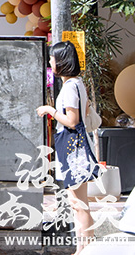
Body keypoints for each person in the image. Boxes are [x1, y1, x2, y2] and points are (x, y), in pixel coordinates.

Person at [37, 41, 97, 254]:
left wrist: (50, 110)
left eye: (53, 58)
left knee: (79, 202)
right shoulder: (77, 84)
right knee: (77, 201)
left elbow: (72, 120)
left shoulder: (71, 87)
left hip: (74, 147)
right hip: (75, 145)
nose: (51, 61)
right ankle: (82, 247)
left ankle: (85, 248)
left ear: (62, 61)